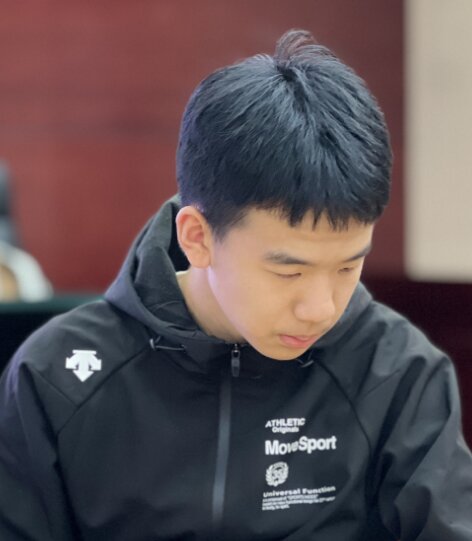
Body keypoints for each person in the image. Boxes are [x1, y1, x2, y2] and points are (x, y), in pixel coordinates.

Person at [0, 29, 471, 541]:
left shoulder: (398, 371)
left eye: (346, 267)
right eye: (288, 272)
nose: (320, 308)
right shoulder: (58, 377)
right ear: (197, 238)